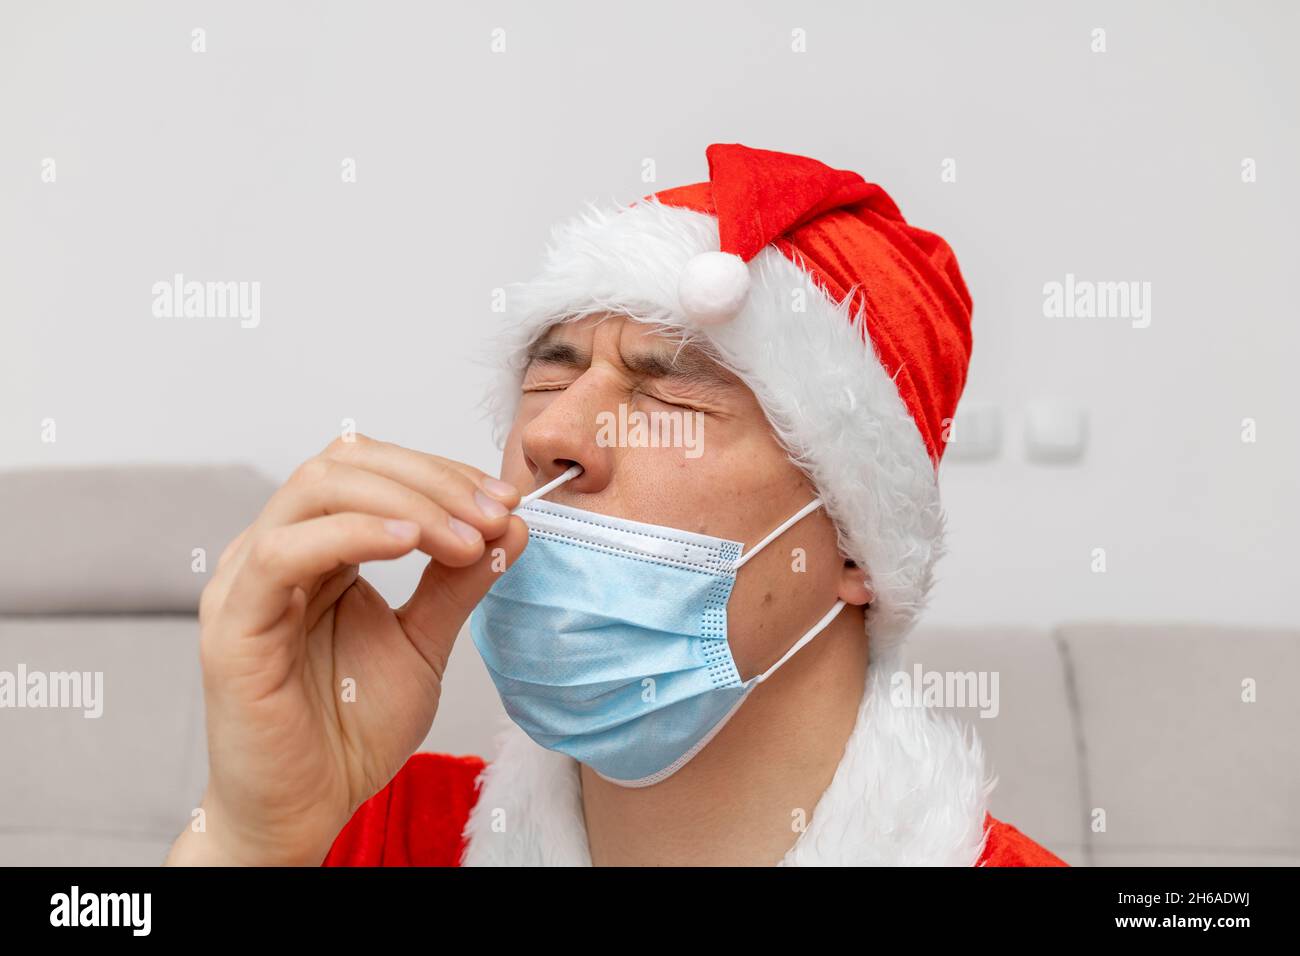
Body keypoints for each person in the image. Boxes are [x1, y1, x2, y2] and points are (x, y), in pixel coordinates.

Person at [165, 144, 1066, 867]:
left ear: (862, 550)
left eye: (669, 395)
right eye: (549, 373)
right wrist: (249, 840)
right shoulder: (377, 828)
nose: (552, 433)